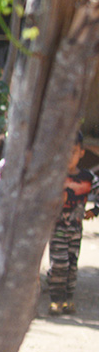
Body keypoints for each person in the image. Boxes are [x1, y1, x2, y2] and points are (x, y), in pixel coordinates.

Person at [47, 130, 99, 315]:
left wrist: (94, 210)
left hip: (76, 229)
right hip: (57, 228)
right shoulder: (54, 176)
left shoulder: (88, 178)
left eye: (74, 151)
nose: (69, 156)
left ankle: (68, 299)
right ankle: (56, 300)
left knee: (71, 264)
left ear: (82, 152)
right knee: (58, 263)